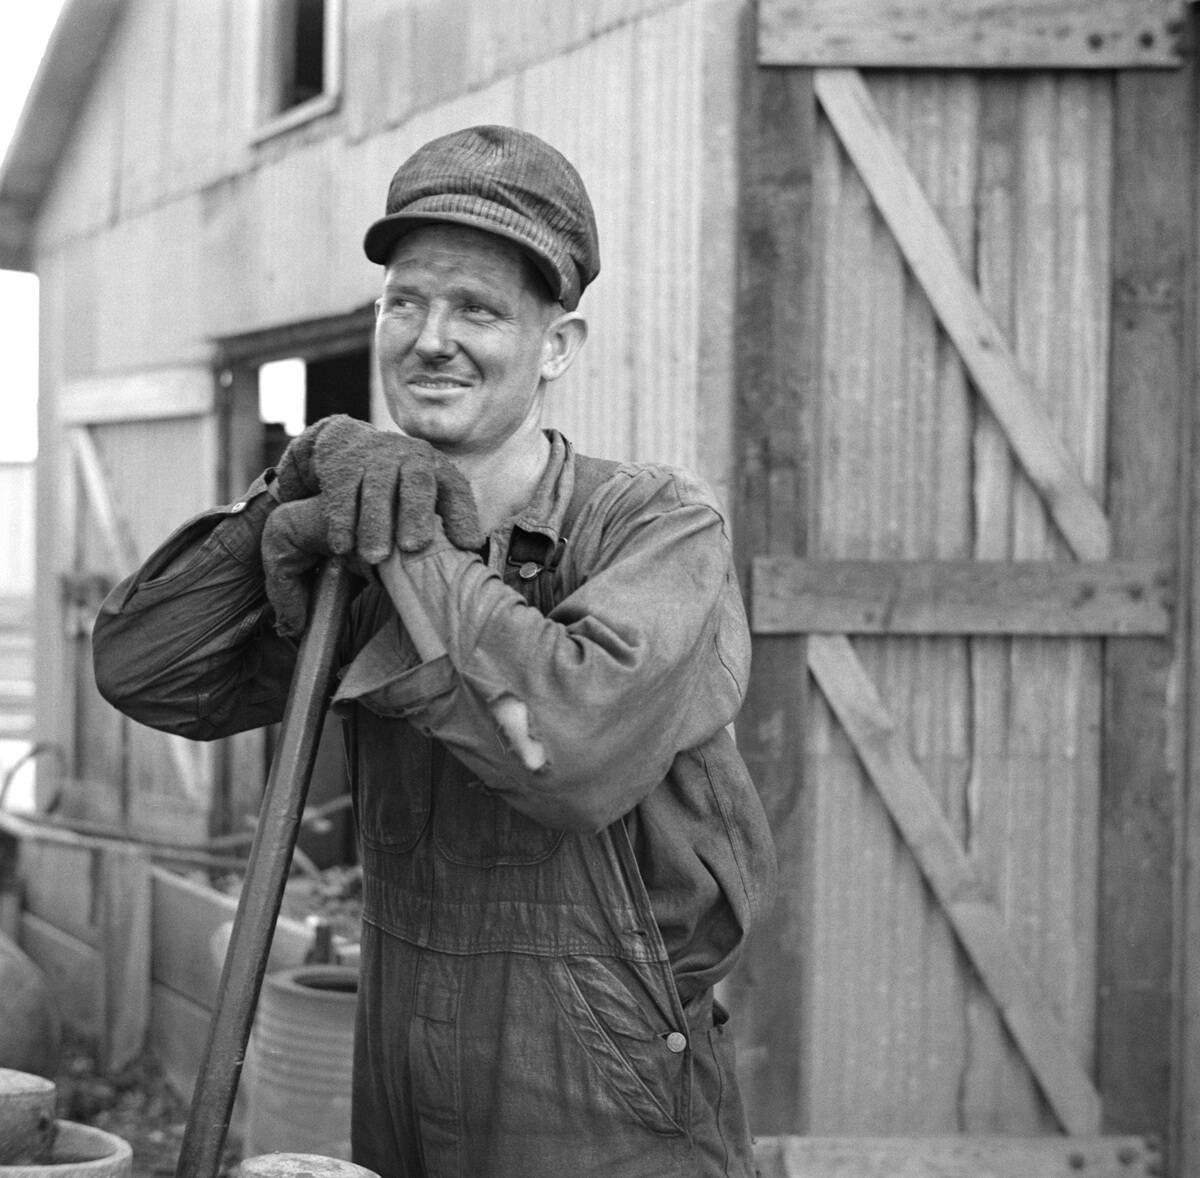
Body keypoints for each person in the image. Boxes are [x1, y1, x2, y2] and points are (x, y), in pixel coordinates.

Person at [93, 125, 776, 1178]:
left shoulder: (656, 525)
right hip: (404, 1061)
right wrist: (300, 477)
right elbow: (144, 666)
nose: (430, 337)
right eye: (405, 301)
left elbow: (571, 745)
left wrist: (405, 536)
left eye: (479, 309)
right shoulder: (344, 522)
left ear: (558, 345)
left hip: (606, 1096)